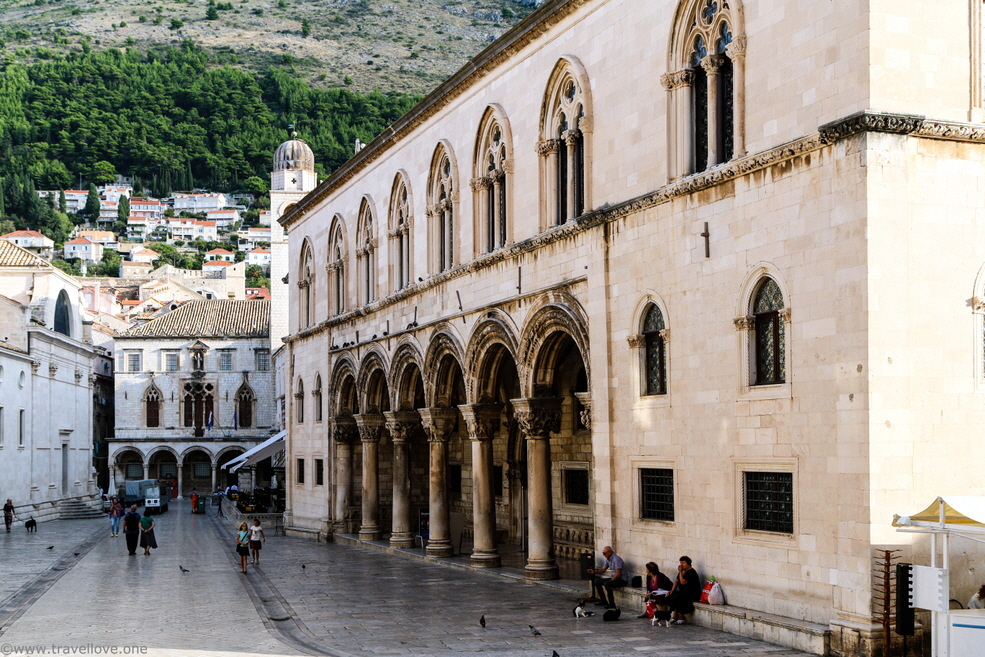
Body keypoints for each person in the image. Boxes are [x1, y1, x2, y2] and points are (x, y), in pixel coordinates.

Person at [666, 555, 701, 624]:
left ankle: (682, 617)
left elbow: (682, 582)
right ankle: (675, 615)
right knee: (670, 597)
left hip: (692, 593)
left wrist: (681, 572)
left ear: (688, 563)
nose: (681, 565)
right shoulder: (682, 571)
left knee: (679, 598)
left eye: (683, 563)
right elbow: (676, 581)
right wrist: (672, 590)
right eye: (680, 563)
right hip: (683, 591)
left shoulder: (691, 572)